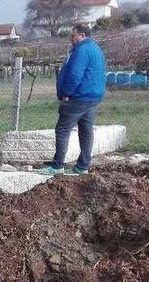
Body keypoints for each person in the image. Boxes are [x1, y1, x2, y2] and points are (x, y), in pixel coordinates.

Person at [40, 24, 106, 175]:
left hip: (79, 96)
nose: (70, 38)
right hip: (92, 96)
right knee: (86, 130)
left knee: (62, 129)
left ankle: (57, 166)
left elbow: (75, 74)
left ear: (82, 35)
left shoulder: (82, 50)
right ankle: (82, 167)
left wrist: (67, 93)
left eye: (72, 35)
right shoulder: (96, 49)